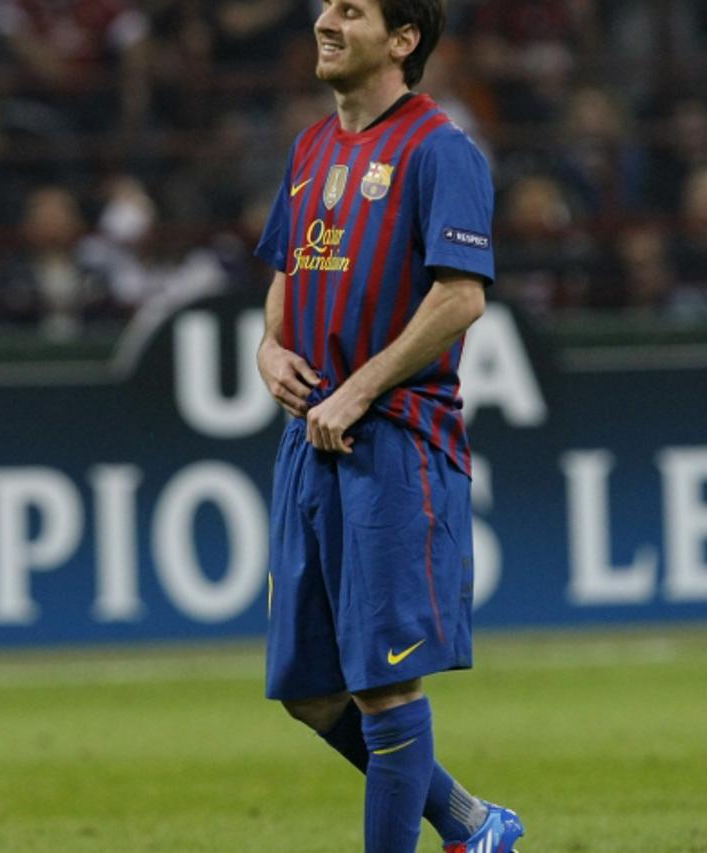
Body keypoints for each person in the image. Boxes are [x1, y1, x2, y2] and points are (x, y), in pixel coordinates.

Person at [253, 1, 523, 852]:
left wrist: (358, 390)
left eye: (351, 9)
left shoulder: (440, 150)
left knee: (384, 687)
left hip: (395, 442)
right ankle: (473, 823)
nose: (325, 20)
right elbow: (289, 268)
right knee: (311, 691)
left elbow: (460, 296)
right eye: (326, 6)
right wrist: (268, 347)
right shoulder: (310, 147)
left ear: (403, 40)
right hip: (311, 440)